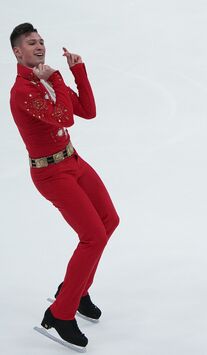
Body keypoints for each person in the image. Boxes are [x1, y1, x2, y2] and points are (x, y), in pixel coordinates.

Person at [9, 23, 119, 349]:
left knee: (109, 221)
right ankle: (61, 314)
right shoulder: (23, 91)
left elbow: (87, 111)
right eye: (32, 43)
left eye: (41, 41)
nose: (40, 46)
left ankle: (77, 290)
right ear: (18, 52)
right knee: (93, 236)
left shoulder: (43, 79)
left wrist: (77, 71)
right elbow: (64, 118)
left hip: (73, 161)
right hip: (51, 174)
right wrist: (55, 79)